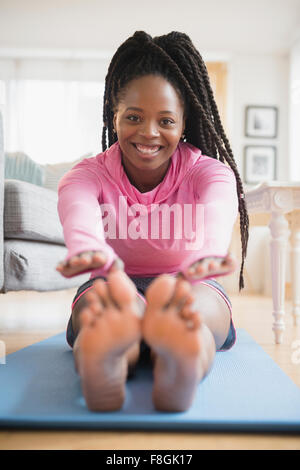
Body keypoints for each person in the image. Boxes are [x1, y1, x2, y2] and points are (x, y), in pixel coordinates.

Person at [56, 31, 249, 413]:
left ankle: (183, 359)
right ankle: (106, 358)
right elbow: (79, 221)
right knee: (103, 307)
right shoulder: (87, 175)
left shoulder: (208, 173)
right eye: (134, 117)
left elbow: (217, 220)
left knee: (193, 310)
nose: (149, 133)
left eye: (165, 120)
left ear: (183, 122)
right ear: (114, 113)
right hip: (112, 283)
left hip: (188, 283)